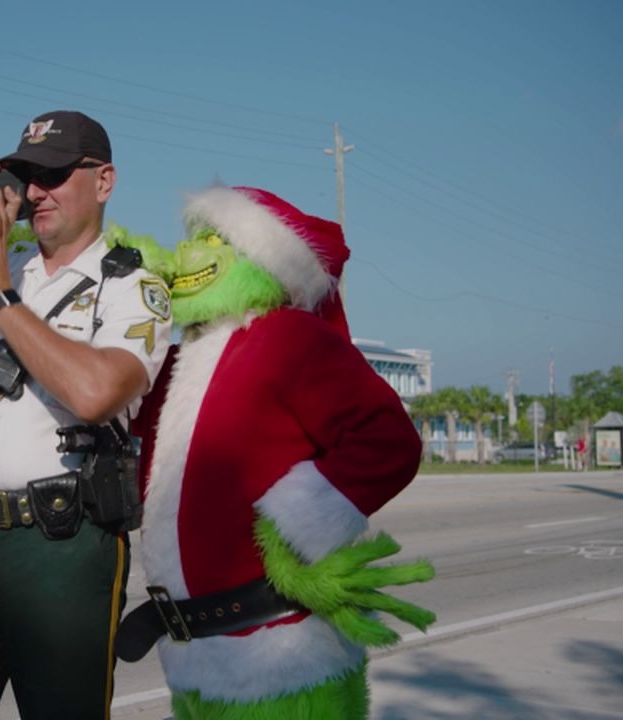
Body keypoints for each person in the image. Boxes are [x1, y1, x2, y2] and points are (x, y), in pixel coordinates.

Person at [113, 185, 434, 719]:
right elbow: (113, 403)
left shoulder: (289, 336)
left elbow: (388, 439)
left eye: (215, 240)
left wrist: (296, 521)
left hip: (280, 654)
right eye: (193, 238)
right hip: (193, 661)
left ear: (262, 261)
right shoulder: (180, 360)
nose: (192, 251)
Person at [0, 110, 172, 720]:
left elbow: (97, 392)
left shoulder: (130, 287)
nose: (37, 192)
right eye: (25, 177)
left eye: (54, 174)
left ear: (104, 182)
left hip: (62, 549)